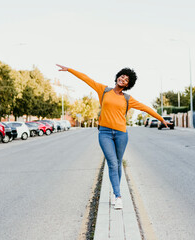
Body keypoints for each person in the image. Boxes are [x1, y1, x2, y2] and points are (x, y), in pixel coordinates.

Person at [56, 64, 169, 209]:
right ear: (118, 77)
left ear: (128, 84)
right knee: (112, 163)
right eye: (122, 76)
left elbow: (145, 107)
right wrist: (70, 70)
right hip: (105, 133)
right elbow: (86, 79)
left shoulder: (128, 98)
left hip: (121, 134)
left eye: (126, 79)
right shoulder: (104, 90)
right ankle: (118, 196)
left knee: (118, 162)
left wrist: (161, 119)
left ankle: (116, 192)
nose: (123, 79)